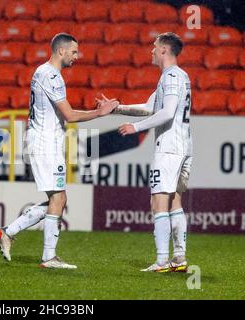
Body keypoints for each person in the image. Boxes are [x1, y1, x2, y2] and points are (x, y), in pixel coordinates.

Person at [0, 33, 119, 269]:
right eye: (74, 51)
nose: (77, 56)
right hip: (45, 143)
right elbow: (70, 115)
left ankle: (9, 232)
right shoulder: (51, 75)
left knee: (56, 199)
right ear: (61, 51)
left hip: (42, 140)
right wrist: (99, 113)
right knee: (58, 198)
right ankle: (48, 257)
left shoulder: (43, 72)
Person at [99, 32, 192, 273]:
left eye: (154, 47)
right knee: (174, 200)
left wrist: (135, 128)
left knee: (158, 201)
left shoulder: (171, 76)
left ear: (164, 50)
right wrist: (116, 109)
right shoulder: (176, 77)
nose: (151, 51)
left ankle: (161, 261)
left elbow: (168, 112)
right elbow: (151, 107)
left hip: (169, 147)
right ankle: (179, 258)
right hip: (182, 146)